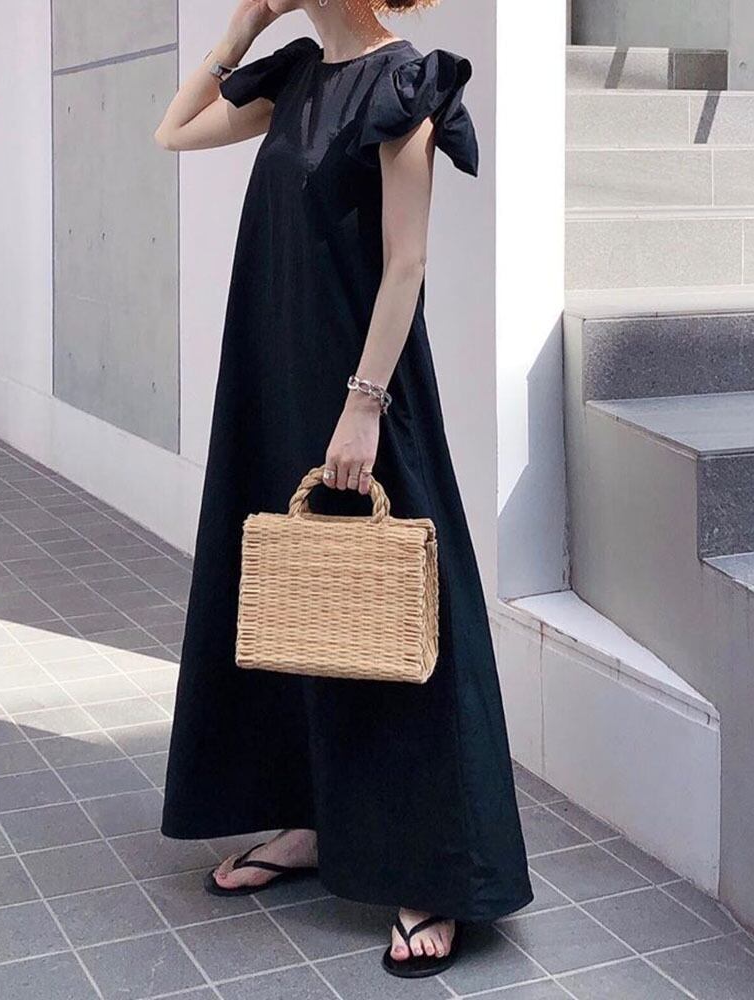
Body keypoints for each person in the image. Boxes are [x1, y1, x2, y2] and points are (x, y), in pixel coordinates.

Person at [154, 0, 533, 978]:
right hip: (276, 376)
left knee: (406, 623)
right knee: (298, 605)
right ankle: (311, 820)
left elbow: (407, 261)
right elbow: (174, 131)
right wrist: (243, 28)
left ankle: (436, 870)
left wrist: (363, 405)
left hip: (362, 387)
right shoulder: (290, 77)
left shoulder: (405, 82)